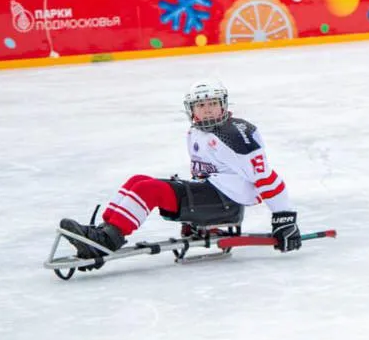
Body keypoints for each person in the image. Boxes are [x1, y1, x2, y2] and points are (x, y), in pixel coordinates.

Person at [58, 80, 301, 261]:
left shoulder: (236, 135)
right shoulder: (196, 132)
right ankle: (104, 230)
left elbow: (266, 178)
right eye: (201, 105)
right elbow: (205, 173)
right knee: (137, 181)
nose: (207, 110)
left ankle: (106, 241)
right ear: (191, 110)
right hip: (213, 195)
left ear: (223, 105)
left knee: (149, 190)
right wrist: (199, 223)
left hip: (226, 203)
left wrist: (285, 219)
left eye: (213, 104)